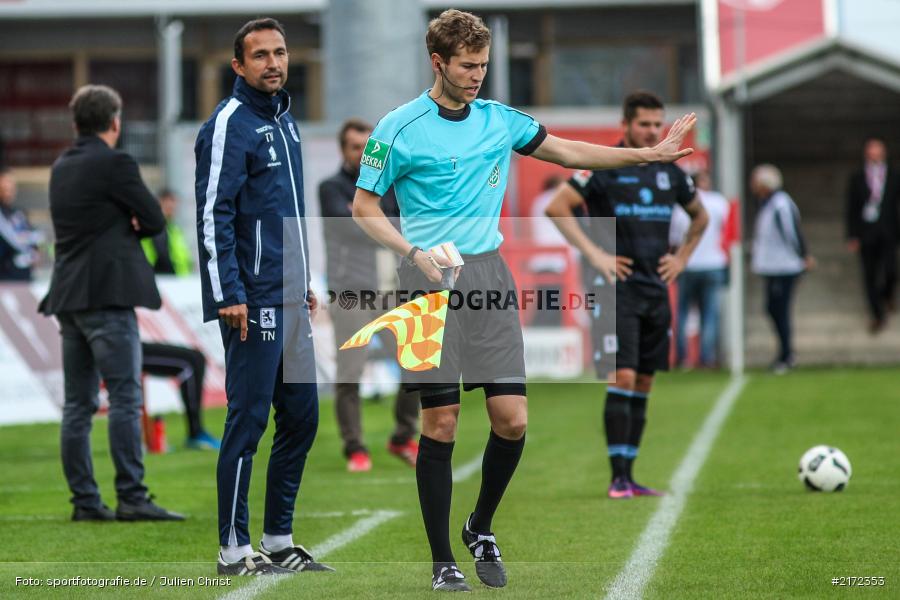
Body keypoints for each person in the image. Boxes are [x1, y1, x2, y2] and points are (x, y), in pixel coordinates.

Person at [352, 11, 696, 592]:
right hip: (426, 284)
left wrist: (648, 155)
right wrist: (414, 253)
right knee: (439, 423)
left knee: (511, 421)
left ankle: (479, 526)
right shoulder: (397, 127)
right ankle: (443, 561)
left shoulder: (499, 120)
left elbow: (566, 152)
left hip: (487, 277)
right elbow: (364, 208)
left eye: (483, 65)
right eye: (467, 66)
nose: (477, 76)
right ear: (438, 62)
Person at [195, 18, 330, 576]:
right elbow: (213, 215)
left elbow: (287, 216)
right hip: (251, 301)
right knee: (248, 421)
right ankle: (233, 550)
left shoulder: (287, 121)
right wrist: (230, 293)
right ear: (238, 66)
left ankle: (277, 540)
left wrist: (304, 283)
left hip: (291, 300)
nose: (273, 63)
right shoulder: (229, 124)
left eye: (279, 53)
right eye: (260, 56)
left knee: (301, 418)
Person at [546, 91, 708, 501]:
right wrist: (597, 254)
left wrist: (683, 258)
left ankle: (630, 475)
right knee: (624, 376)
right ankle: (617, 478)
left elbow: (700, 216)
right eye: (645, 125)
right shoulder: (603, 166)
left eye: (657, 124)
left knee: (645, 382)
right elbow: (557, 207)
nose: (652, 131)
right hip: (614, 289)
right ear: (626, 124)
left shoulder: (671, 172)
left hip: (656, 290)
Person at [38, 84, 184, 522]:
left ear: (76, 122)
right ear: (115, 122)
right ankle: (132, 497)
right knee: (123, 396)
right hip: (107, 294)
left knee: (77, 405)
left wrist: (116, 223)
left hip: (67, 295)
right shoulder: (115, 162)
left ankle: (85, 502)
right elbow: (155, 218)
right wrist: (130, 225)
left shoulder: (62, 165)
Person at [320, 118, 420, 472]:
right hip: (350, 292)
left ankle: (402, 437)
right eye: (354, 147)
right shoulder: (330, 188)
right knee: (351, 374)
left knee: (416, 366)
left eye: (368, 147)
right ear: (343, 150)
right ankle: (355, 447)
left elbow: (404, 225)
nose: (362, 153)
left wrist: (373, 219)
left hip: (392, 291)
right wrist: (381, 221)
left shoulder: (390, 187)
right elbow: (355, 230)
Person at [750, 164, 814, 374]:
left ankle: (787, 355)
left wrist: (804, 256)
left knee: (780, 310)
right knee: (773, 309)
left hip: (784, 266)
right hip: (773, 266)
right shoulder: (768, 203)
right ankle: (785, 353)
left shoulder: (781, 204)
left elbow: (792, 232)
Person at [670, 169, 730, 368]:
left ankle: (683, 358)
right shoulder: (719, 202)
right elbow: (725, 230)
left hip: (687, 264)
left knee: (683, 313)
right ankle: (706, 358)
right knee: (709, 314)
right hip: (713, 263)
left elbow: (674, 239)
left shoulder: (679, 207)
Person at [846, 138, 899, 334]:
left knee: (891, 270)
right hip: (866, 234)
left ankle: (887, 296)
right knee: (869, 277)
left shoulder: (893, 175)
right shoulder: (857, 177)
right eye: (871, 152)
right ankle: (878, 315)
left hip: (888, 232)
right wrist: (852, 235)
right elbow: (851, 208)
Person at [141, 342, 220, 450]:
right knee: (189, 363)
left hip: (130, 342)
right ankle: (195, 433)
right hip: (122, 347)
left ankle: (197, 432)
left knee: (197, 357)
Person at [0, 168, 42, 281]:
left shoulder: (19, 214)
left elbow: (35, 237)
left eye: (11, 188)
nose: (8, 191)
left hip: (24, 276)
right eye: (5, 187)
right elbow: (12, 239)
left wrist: (35, 251)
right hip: (5, 276)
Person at [141, 189, 193, 276]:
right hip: (158, 279)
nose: (172, 208)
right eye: (169, 205)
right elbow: (161, 257)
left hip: (179, 281)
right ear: (160, 203)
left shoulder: (174, 229)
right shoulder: (152, 228)